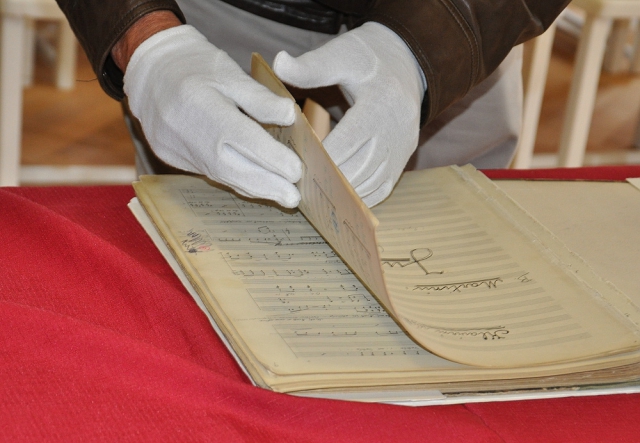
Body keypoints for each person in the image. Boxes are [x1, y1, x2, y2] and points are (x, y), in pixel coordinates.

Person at [55, 0, 569, 208]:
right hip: (217, 10)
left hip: (458, 17)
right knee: (203, 238)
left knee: (454, 250)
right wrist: (148, 39)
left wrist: (424, 52)